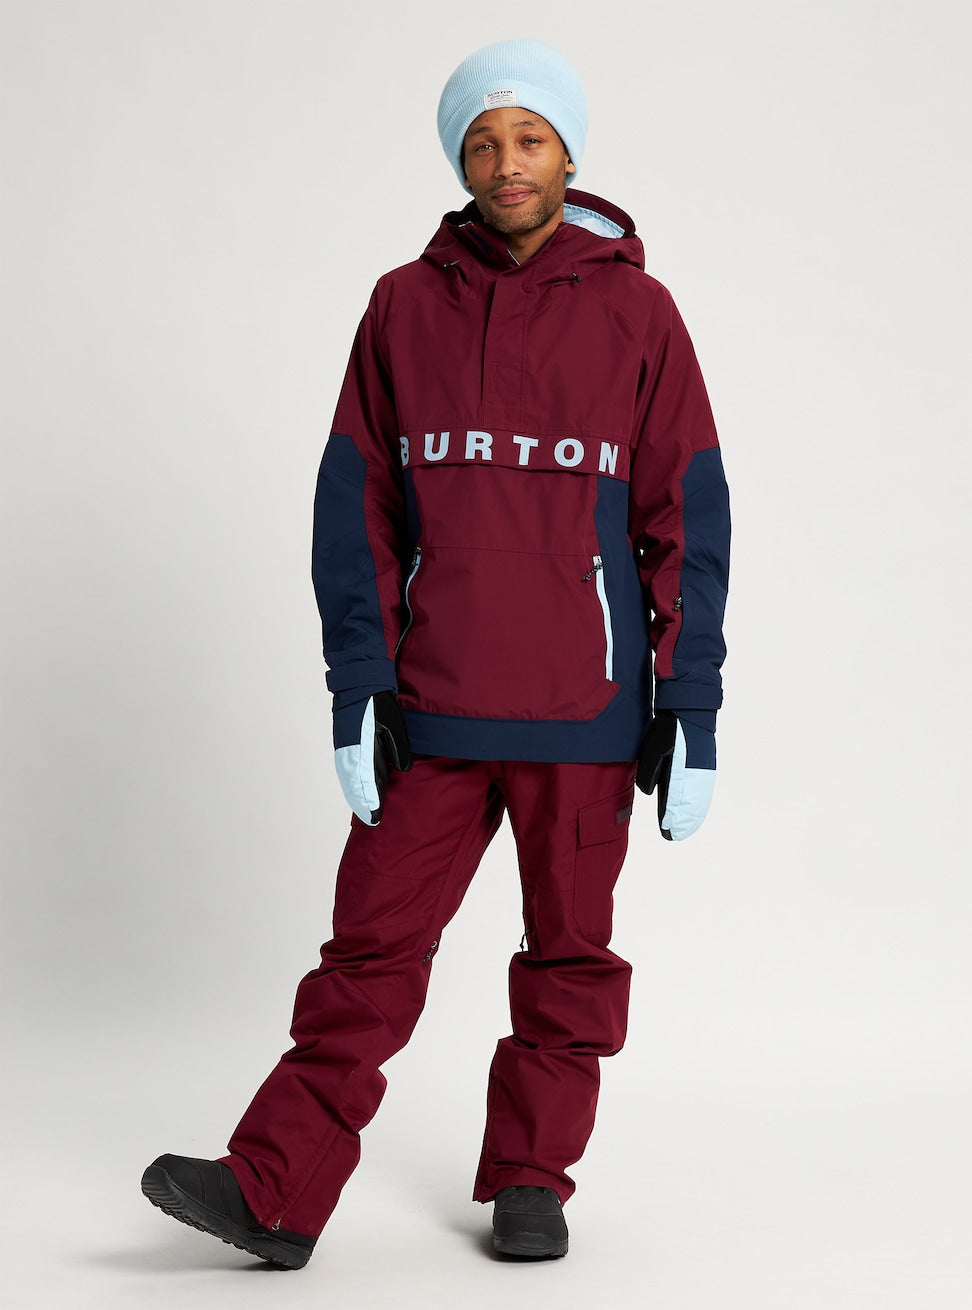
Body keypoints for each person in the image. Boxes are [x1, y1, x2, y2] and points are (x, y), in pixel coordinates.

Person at [141, 38, 730, 1269]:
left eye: (529, 138)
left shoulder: (641, 313)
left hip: (587, 709)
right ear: (459, 163)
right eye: (481, 142)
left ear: (569, 152)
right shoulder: (403, 306)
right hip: (436, 702)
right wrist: (359, 684)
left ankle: (531, 1177)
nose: (506, 163)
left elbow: (688, 511)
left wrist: (690, 701)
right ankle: (275, 1190)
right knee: (367, 954)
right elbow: (353, 503)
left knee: (569, 958)